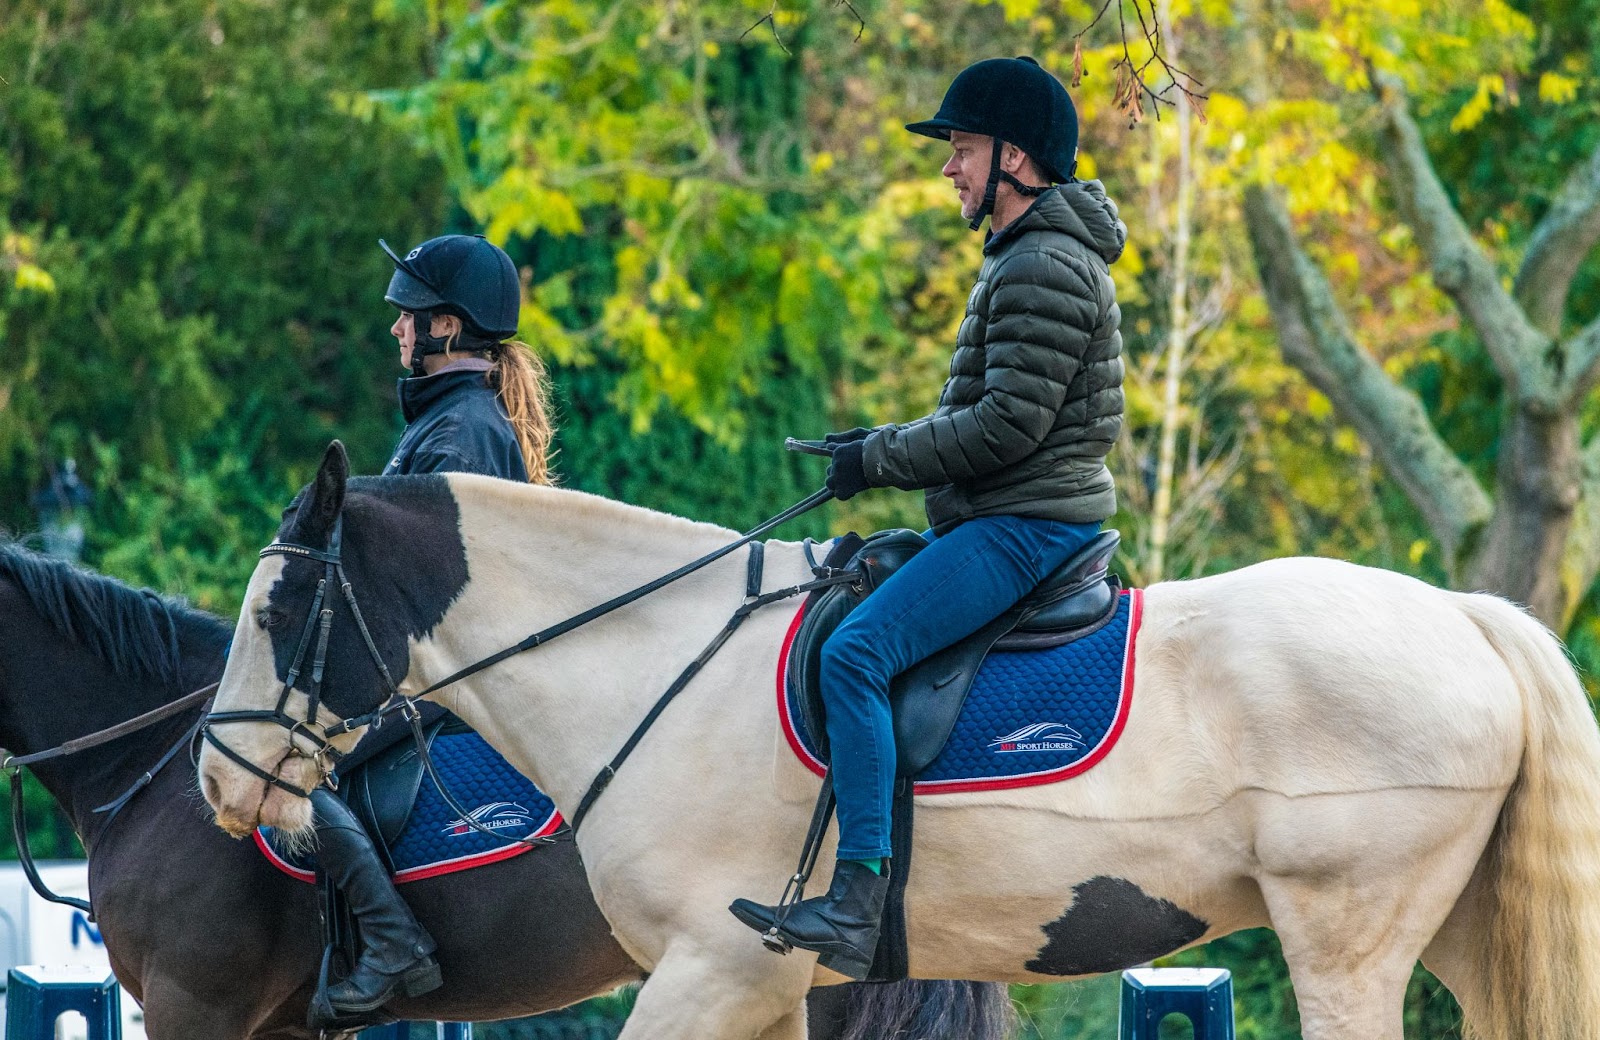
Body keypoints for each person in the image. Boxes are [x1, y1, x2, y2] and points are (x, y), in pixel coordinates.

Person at [730, 56, 1127, 979]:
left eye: (963, 148)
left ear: (1015, 160)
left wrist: (879, 459)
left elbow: (1005, 428)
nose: (949, 168)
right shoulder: (1029, 258)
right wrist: (880, 441)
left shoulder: (1045, 265)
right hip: (1009, 514)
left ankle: (858, 902)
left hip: (1029, 526)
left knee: (855, 654)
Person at [309, 233, 555, 1027]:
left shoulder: (459, 432)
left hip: (453, 680)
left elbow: (434, 594)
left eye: (407, 316)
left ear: (447, 327)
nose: (396, 330)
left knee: (295, 766)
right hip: (438, 667)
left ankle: (389, 943)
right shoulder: (454, 420)